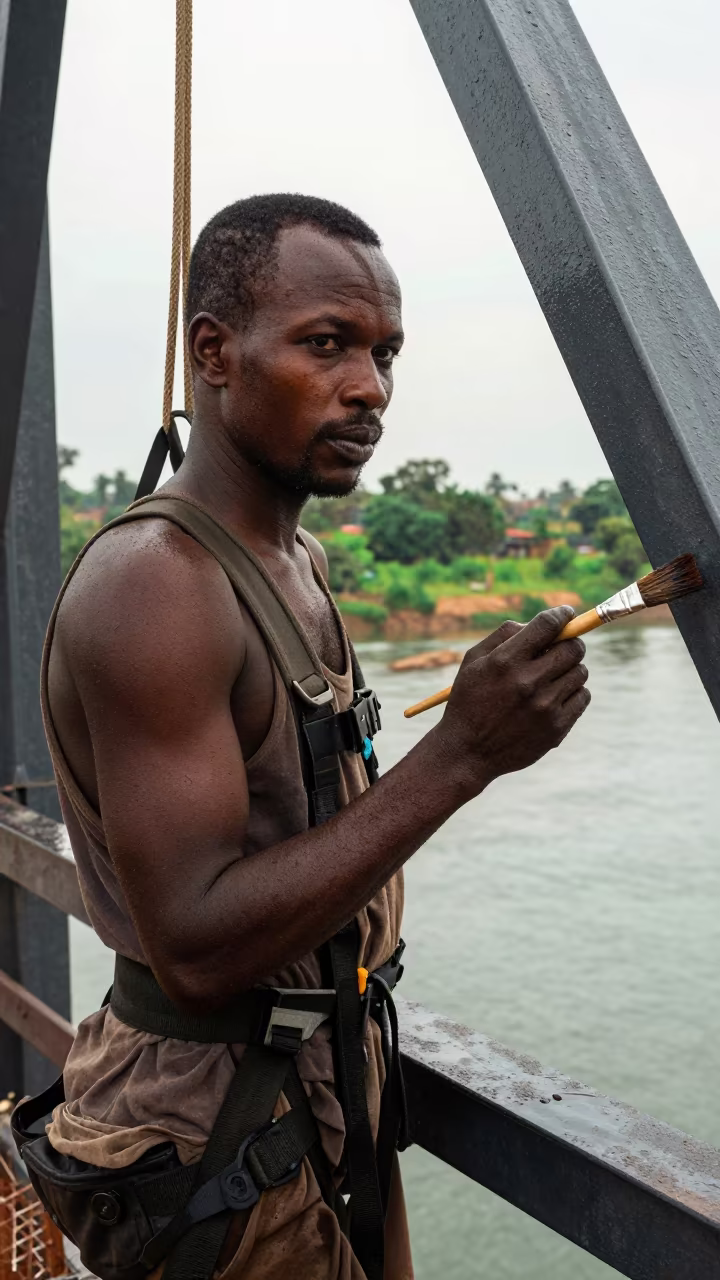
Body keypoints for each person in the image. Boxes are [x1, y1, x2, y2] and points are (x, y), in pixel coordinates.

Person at [28, 195, 590, 1279]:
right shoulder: (158, 588)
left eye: (385, 353)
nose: (370, 386)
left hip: (326, 1076)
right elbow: (195, 948)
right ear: (215, 353)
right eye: (327, 344)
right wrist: (464, 754)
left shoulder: (298, 561)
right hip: (216, 1129)